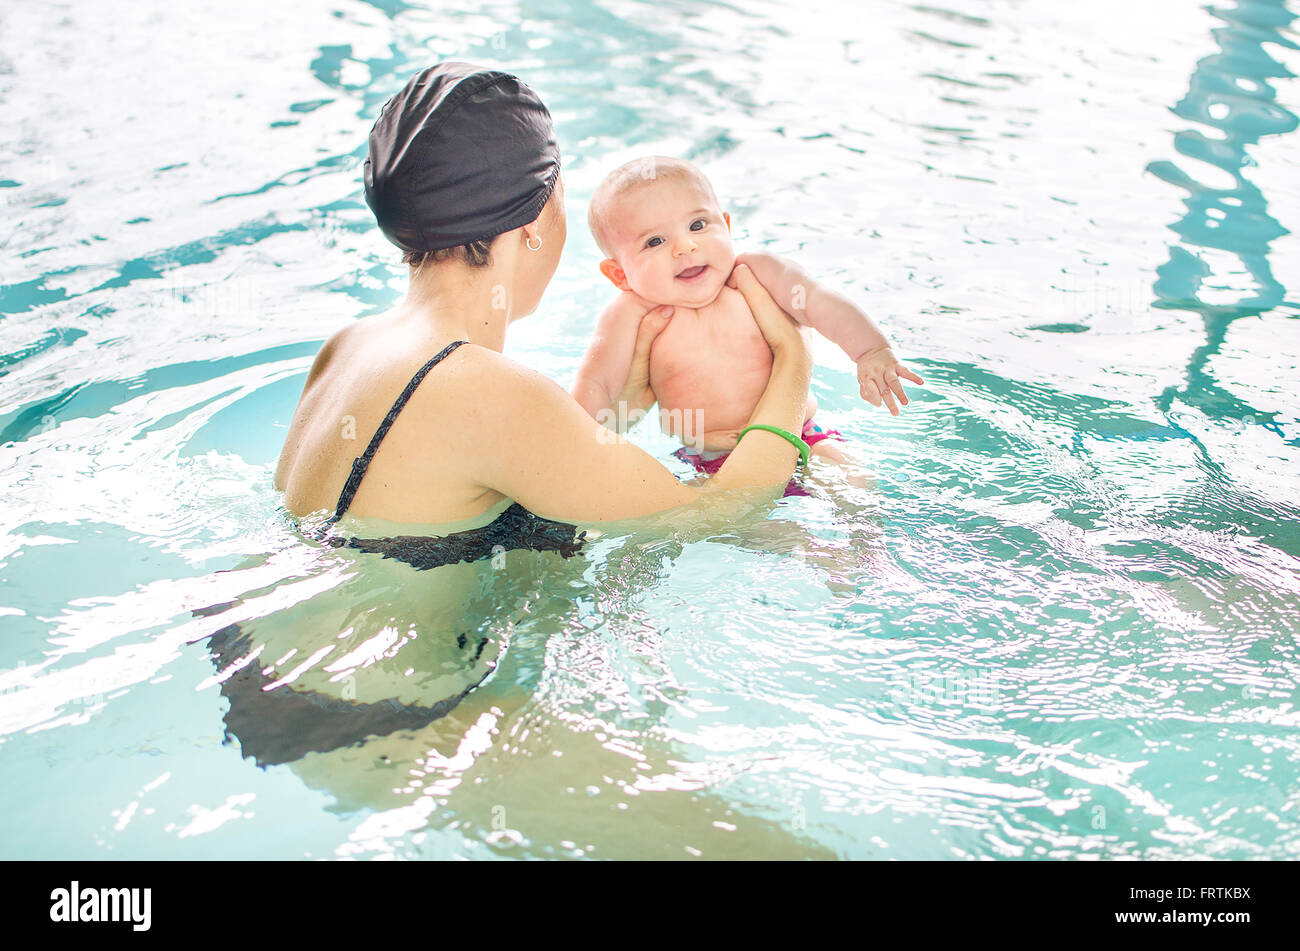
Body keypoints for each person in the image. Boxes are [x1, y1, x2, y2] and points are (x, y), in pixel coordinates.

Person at [273, 62, 814, 551]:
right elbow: (724, 513)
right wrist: (793, 361)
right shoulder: (489, 391)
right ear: (532, 222)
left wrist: (617, 408)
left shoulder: (348, 346)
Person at [574, 156, 924, 473]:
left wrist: (870, 351)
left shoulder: (756, 273)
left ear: (726, 226)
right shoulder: (629, 315)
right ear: (619, 274)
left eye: (697, 225)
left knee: (852, 475)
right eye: (654, 242)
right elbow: (596, 383)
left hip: (805, 436)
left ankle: (860, 542)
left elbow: (819, 301)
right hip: (710, 461)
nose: (685, 247)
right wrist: (573, 439)